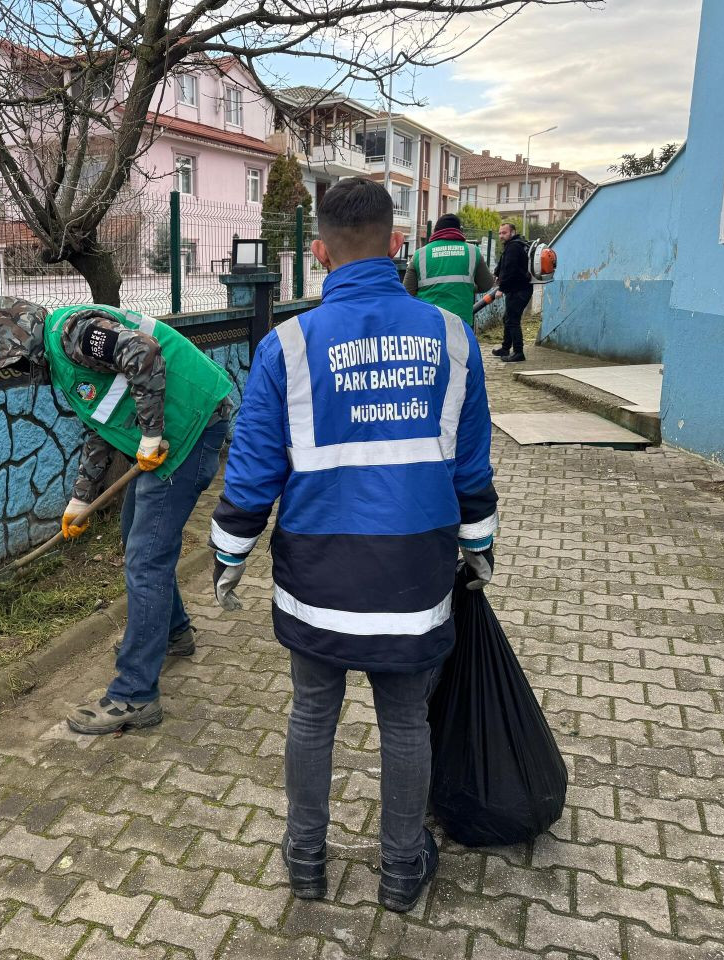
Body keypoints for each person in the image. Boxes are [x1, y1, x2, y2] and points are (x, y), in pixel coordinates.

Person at [208, 178, 498, 913]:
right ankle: (402, 871)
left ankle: (305, 863)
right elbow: (471, 466)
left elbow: (253, 469)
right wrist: (480, 545)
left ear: (317, 252)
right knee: (404, 721)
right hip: (413, 574)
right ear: (399, 246)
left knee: (312, 713)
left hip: (319, 572)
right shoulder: (455, 340)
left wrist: (229, 556)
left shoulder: (288, 345)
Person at [0, 297, 233, 735]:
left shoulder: (73, 332)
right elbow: (102, 423)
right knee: (137, 536)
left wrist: (150, 433)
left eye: (18, 361)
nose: (22, 371)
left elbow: (142, 351)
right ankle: (173, 633)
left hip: (189, 430)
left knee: (145, 559)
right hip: (178, 433)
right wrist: (80, 498)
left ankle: (135, 694)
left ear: (28, 336)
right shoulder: (65, 357)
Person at [403, 213, 495, 327]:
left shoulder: (420, 254)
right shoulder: (472, 251)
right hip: (461, 322)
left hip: (430, 321)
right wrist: (466, 286)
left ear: (435, 231)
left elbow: (407, 292)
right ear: (459, 230)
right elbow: (487, 284)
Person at [491, 221, 533, 363]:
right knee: (507, 318)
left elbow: (510, 269)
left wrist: (501, 289)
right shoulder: (513, 245)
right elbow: (503, 264)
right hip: (517, 289)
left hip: (519, 290)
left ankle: (518, 352)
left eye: (504, 233)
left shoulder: (514, 247)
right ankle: (505, 348)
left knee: (513, 320)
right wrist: (496, 273)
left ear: (512, 232)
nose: (501, 236)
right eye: (500, 233)